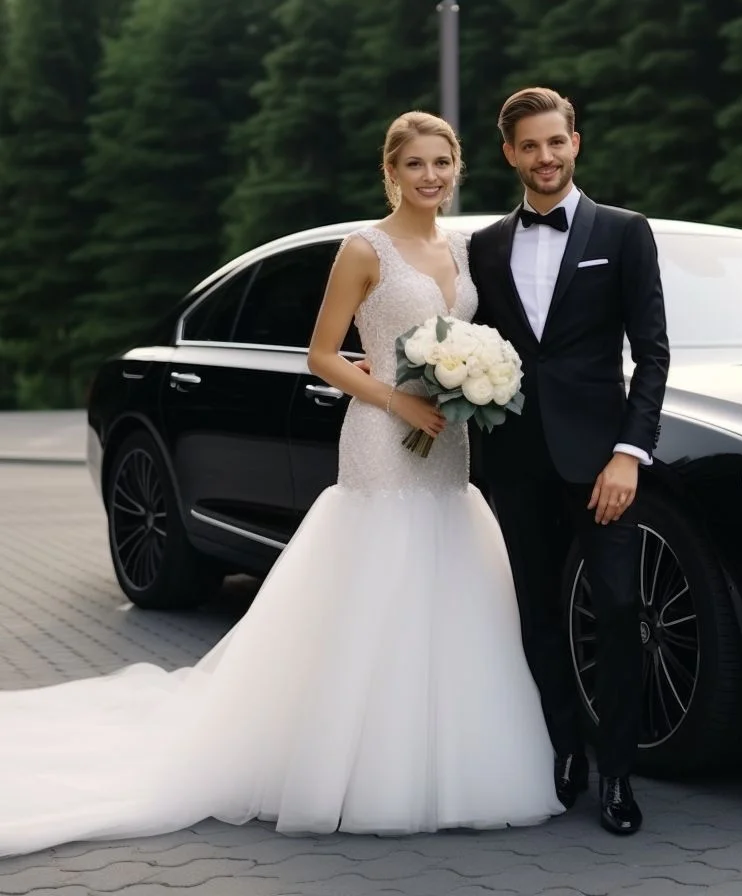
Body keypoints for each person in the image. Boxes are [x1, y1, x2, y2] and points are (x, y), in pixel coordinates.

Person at [0, 111, 563, 859]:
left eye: (442, 163)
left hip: (448, 450)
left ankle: (451, 761)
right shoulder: (364, 249)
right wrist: (397, 400)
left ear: (459, 168)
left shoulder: (459, 249)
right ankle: (360, 767)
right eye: (415, 164)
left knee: (449, 591)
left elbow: (481, 342)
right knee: (380, 590)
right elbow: (323, 355)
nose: (430, 176)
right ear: (390, 171)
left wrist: (478, 388)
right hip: (382, 439)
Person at [468, 87, 671, 836]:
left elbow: (651, 356)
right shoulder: (485, 247)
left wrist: (628, 455)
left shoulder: (625, 232)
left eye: (556, 142)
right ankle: (563, 757)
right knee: (538, 617)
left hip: (601, 465)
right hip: (515, 462)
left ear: (575, 143)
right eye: (530, 146)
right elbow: (471, 347)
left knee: (619, 613)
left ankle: (618, 771)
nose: (545, 157)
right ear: (510, 154)